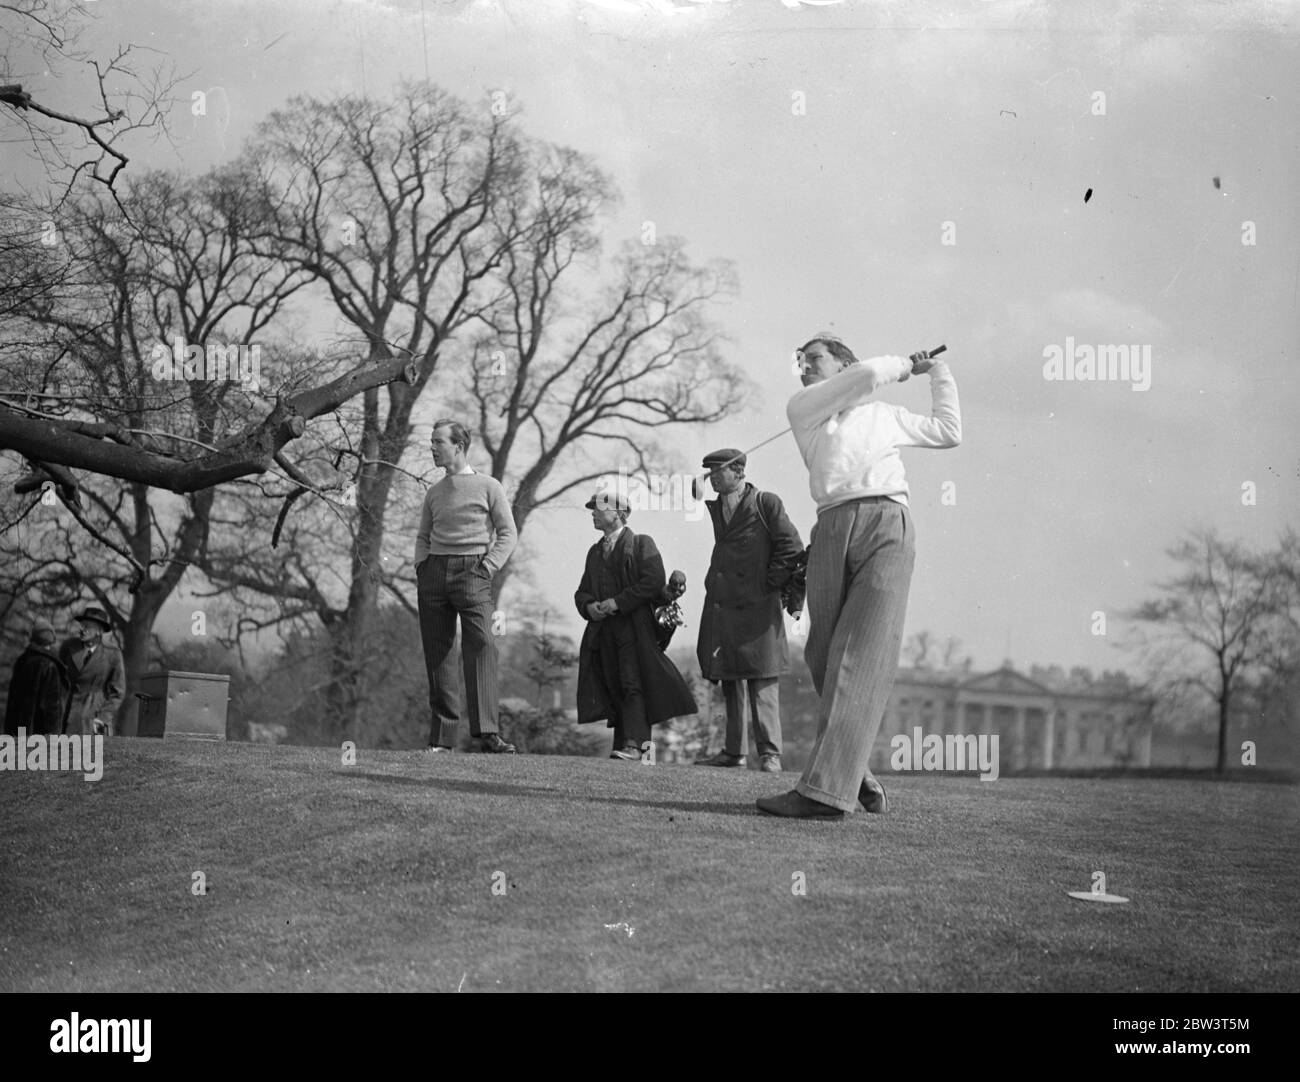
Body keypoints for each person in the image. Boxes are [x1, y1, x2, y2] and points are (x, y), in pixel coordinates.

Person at [756, 335, 961, 818]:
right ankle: (854, 771)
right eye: (800, 359)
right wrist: (901, 367)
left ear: (843, 363)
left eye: (815, 358)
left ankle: (824, 793)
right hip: (831, 525)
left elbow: (950, 430)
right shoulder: (804, 408)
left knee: (860, 655)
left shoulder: (883, 414)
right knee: (824, 654)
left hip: (889, 524)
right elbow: (868, 376)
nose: (804, 365)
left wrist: (937, 374)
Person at [694, 449, 804, 773]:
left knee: (762, 679)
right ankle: (734, 753)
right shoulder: (716, 507)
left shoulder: (766, 503)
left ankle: (770, 754)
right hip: (723, 605)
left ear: (739, 472)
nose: (712, 478)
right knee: (729, 678)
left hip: (757, 608)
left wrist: (765, 584)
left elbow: (792, 547)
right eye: (710, 473)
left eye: (719, 472)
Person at [415, 418, 518, 754]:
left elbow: (507, 533)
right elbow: (422, 535)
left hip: (473, 571)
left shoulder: (489, 486)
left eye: (437, 442)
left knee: (484, 642)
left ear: (458, 446)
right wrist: (422, 565)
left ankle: (487, 732)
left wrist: (487, 567)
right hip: (434, 572)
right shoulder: (434, 492)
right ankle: (442, 739)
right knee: (439, 653)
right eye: (431, 442)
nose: (431, 447)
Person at [574, 488, 698, 761]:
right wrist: (589, 607)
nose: (593, 513)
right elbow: (582, 591)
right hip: (604, 631)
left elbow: (653, 582)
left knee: (633, 683)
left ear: (618, 514)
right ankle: (625, 746)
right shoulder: (594, 552)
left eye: (599, 508)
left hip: (635, 629)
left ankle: (635, 746)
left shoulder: (642, 543)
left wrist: (618, 602)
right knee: (615, 684)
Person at [59, 606, 126, 737]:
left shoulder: (112, 653)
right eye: (82, 625)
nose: (82, 630)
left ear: (99, 631)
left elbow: (118, 692)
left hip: (93, 714)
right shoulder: (68, 647)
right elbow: (58, 680)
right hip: (67, 711)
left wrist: (103, 717)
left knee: (90, 754)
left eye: (87, 627)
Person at [3, 618, 70, 737]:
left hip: (18, 733)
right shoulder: (50, 666)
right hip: (40, 737)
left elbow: (13, 703)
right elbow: (51, 709)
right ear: (51, 640)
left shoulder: (22, 661)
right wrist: (53, 737)